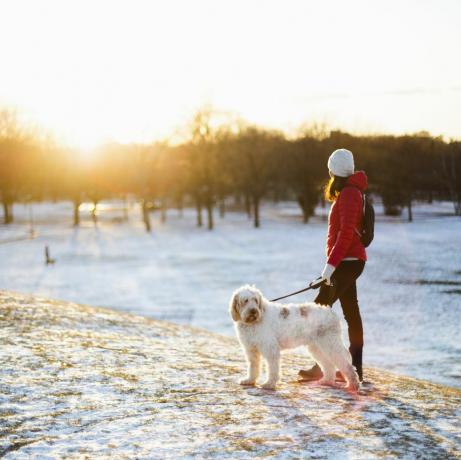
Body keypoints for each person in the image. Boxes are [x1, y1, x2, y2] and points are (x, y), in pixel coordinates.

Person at [298, 148, 368, 383]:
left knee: (317, 310)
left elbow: (345, 234)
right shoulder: (350, 192)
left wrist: (329, 270)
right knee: (351, 313)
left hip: (347, 262)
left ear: (334, 172)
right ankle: (353, 368)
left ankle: (323, 367)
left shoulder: (349, 193)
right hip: (348, 262)